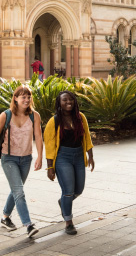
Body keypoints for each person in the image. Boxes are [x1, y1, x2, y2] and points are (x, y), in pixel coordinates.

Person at [0, 85, 43, 239]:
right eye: (23, 97)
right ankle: (28, 225)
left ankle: (5, 217)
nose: (27, 100)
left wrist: (40, 157)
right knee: (19, 191)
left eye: (28, 97)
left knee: (16, 190)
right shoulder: (5, 115)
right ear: (15, 98)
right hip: (8, 158)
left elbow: (39, 137)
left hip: (26, 158)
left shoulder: (34, 116)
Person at [44, 90, 95, 235]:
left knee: (79, 190)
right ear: (59, 103)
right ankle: (68, 222)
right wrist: (50, 167)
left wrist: (90, 156)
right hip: (62, 157)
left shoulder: (81, 117)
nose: (68, 103)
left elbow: (87, 137)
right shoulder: (54, 121)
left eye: (71, 100)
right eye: (65, 100)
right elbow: (49, 144)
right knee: (68, 192)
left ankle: (63, 202)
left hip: (79, 156)